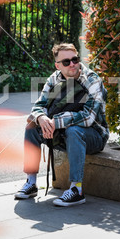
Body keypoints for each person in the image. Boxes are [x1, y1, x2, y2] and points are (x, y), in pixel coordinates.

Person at [15, 43, 109, 206]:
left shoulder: (92, 80)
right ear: (58, 65)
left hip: (94, 135)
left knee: (74, 130)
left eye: (75, 59)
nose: (72, 64)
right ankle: (31, 183)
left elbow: (89, 118)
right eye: (66, 62)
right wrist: (41, 119)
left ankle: (76, 190)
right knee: (31, 126)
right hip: (62, 133)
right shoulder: (54, 78)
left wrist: (55, 121)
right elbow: (38, 106)